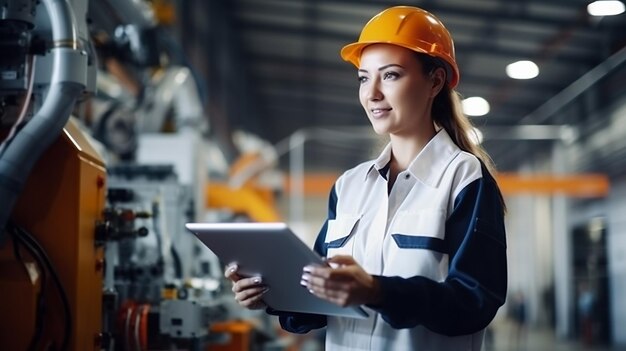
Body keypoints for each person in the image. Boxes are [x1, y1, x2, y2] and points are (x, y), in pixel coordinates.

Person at [225, 5, 507, 350]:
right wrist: (270, 294)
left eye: (390, 75)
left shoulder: (463, 178)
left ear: (435, 81)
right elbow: (317, 299)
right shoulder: (349, 187)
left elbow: (475, 302)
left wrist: (377, 291)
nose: (372, 93)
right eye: (363, 77)